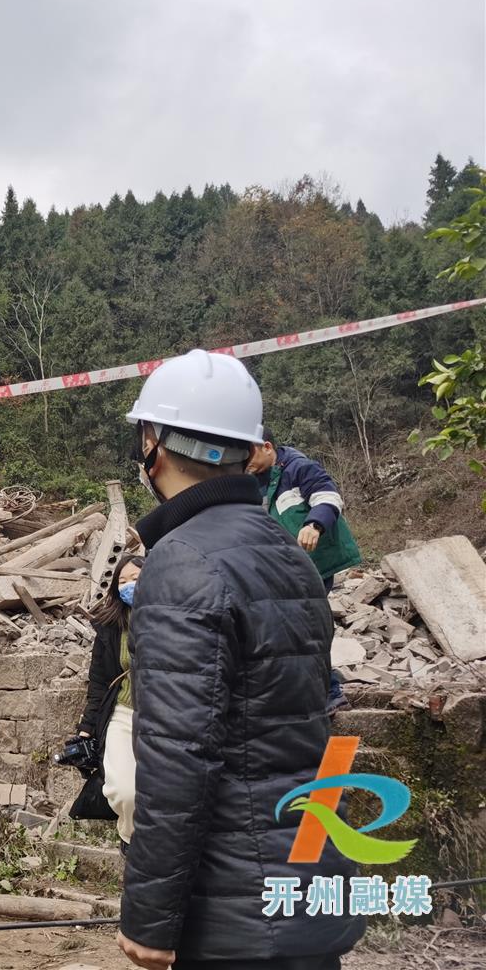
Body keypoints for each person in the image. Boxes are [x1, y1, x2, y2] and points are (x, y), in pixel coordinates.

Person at [116, 349, 362, 970]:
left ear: (155, 445)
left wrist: (151, 918)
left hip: (235, 916)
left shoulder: (183, 561)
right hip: (305, 884)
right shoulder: (283, 549)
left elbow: (179, 755)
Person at [66, 554, 144, 844]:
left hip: (164, 715)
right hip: (123, 713)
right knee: (125, 790)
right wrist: (87, 726)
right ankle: (129, 838)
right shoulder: (111, 626)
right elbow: (99, 681)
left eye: (135, 579)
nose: (129, 586)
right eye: (122, 581)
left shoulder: (170, 618)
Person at [246, 429, 362, 589]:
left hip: (316, 561)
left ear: (267, 447)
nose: (245, 460)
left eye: (249, 453)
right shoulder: (252, 483)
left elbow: (328, 496)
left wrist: (314, 525)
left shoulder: (300, 467)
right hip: (283, 566)